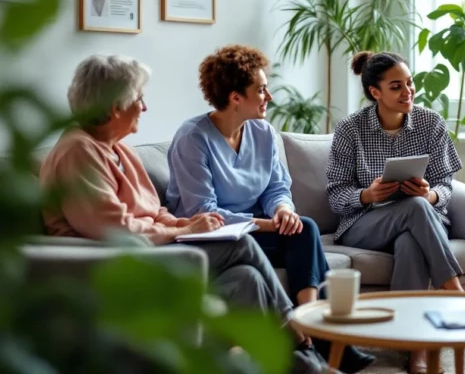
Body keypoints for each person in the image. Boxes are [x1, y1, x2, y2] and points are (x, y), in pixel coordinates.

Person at [38, 54, 340, 374]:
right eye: (138, 100)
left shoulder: (118, 148)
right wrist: (180, 230)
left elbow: (154, 211)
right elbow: (114, 227)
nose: (144, 108)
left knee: (247, 277)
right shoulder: (78, 150)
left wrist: (183, 224)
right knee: (241, 246)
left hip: (155, 251)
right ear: (115, 106)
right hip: (116, 264)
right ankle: (298, 332)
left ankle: (304, 366)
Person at [165, 44, 374, 373]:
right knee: (295, 236)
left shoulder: (262, 133)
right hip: (214, 243)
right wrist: (266, 225)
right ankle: (316, 337)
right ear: (236, 97)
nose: (269, 96)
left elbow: (277, 186)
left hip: (255, 235)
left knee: (304, 227)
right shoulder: (193, 138)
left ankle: (311, 325)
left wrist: (282, 210)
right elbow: (202, 211)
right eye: (261, 89)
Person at [326, 51, 464, 374]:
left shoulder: (431, 123)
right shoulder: (350, 130)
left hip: (421, 223)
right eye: (397, 86)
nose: (408, 92)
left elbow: (447, 183)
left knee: (410, 241)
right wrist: (366, 194)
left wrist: (430, 194)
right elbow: (335, 194)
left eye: (410, 83)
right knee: (413, 210)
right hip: (364, 224)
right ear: (375, 92)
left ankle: (413, 350)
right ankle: (455, 291)